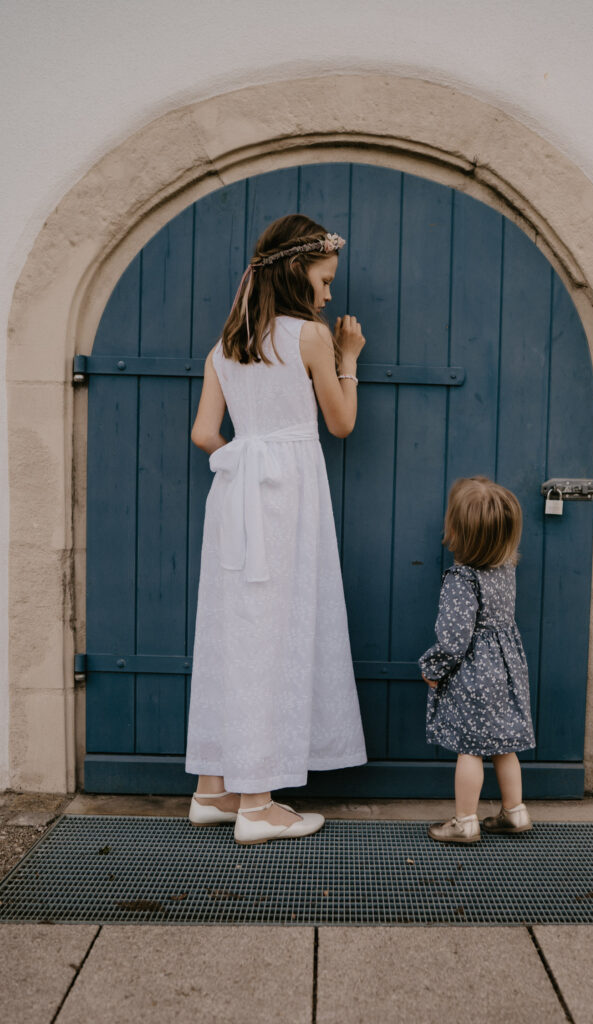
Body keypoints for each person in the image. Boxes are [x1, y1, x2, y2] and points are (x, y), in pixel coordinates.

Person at [185, 214, 367, 845]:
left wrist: (249, 447)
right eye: (324, 279)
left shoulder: (225, 345)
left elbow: (205, 435)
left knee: (233, 632)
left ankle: (213, 789)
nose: (328, 293)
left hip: (235, 496)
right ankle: (258, 808)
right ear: (297, 275)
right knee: (273, 634)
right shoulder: (311, 338)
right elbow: (340, 423)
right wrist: (348, 357)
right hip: (285, 496)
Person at [419, 476, 536, 843]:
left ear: (456, 531)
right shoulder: (506, 569)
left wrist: (432, 668)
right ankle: (515, 813)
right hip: (506, 668)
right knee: (503, 744)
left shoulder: (462, 578)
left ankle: (465, 821)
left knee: (470, 748)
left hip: (474, 671)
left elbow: (454, 639)